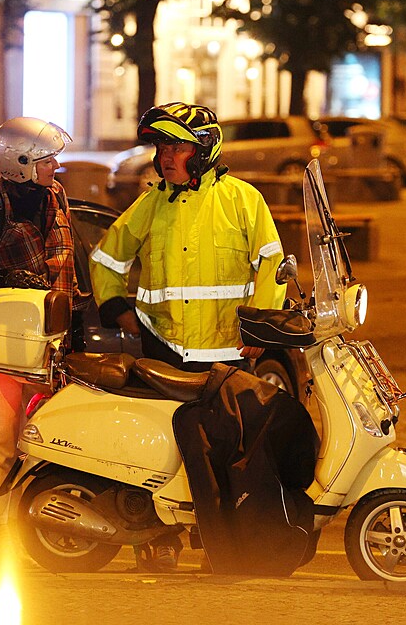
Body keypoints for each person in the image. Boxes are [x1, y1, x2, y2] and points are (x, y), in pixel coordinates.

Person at [90, 102, 287, 570]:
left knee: (226, 458)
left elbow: (272, 264)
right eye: (161, 147)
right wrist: (120, 310)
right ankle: (157, 539)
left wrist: (260, 325)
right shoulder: (153, 201)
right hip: (164, 355)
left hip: (227, 357)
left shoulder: (242, 199)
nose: (165, 157)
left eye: (175, 146)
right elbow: (105, 260)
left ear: (203, 150)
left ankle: (225, 545)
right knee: (161, 455)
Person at [0, 116, 87, 564]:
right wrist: (2, 276)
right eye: (47, 160)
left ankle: (34, 526)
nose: (55, 167)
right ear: (19, 162)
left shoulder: (55, 198)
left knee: (48, 435)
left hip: (49, 340)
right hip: (3, 343)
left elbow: (66, 266)